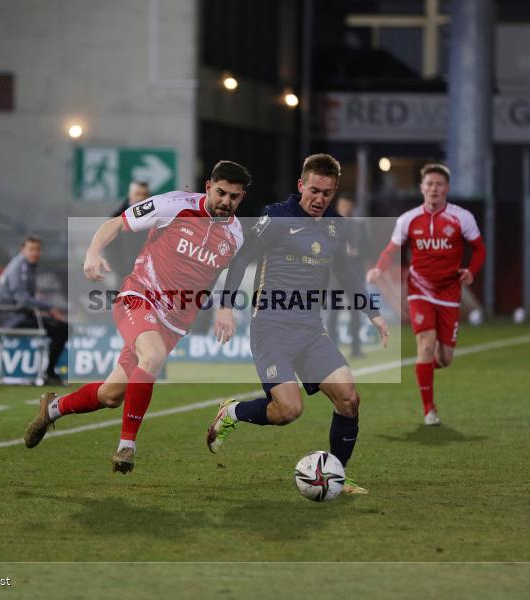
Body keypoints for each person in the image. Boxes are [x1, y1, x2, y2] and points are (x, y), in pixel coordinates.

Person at [23, 160, 252, 474]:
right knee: (153, 355)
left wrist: (226, 306)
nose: (227, 202)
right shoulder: (174, 205)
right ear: (209, 187)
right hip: (139, 295)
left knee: (110, 395)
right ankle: (126, 447)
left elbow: (234, 271)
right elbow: (117, 223)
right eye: (222, 193)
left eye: (235, 197)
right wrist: (92, 252)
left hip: (173, 323)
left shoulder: (237, 234)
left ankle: (52, 408)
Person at [207, 153, 389, 496]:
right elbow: (242, 258)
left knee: (349, 399)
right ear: (301, 185)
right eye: (314, 190)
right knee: (289, 410)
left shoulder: (336, 225)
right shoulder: (275, 217)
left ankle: (337, 474)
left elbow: (346, 272)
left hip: (310, 329)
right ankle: (233, 411)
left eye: (327, 193)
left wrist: (372, 311)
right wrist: (226, 307)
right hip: (271, 327)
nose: (320, 199)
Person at [365, 163, 485, 426]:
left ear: (447, 189)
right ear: (422, 188)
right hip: (419, 289)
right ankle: (429, 410)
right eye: (429, 184)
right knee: (426, 346)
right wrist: (379, 268)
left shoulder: (461, 218)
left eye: (439, 184)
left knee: (444, 358)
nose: (434, 188)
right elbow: (390, 249)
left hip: (449, 292)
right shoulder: (408, 219)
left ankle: (423, 370)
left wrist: (471, 272)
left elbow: (479, 250)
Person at [0, 235, 69, 385]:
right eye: (31, 249)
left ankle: (48, 372)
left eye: (38, 249)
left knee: (61, 328)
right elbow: (22, 299)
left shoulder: (25, 266)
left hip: (16, 315)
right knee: (62, 329)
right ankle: (49, 373)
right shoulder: (20, 267)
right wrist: (49, 308)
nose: (35, 252)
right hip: (12, 318)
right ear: (22, 249)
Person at [325, 196, 367, 358]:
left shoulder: (359, 226)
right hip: (336, 276)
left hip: (354, 274)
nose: (345, 207)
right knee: (333, 312)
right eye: (343, 205)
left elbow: (368, 248)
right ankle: (332, 350)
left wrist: (356, 252)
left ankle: (356, 348)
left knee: (356, 311)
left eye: (348, 204)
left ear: (352, 206)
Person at [107, 181, 151, 276]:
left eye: (144, 194)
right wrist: (121, 270)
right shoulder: (117, 218)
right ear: (130, 195)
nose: (141, 198)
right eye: (137, 194)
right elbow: (110, 247)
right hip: (126, 274)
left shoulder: (156, 218)